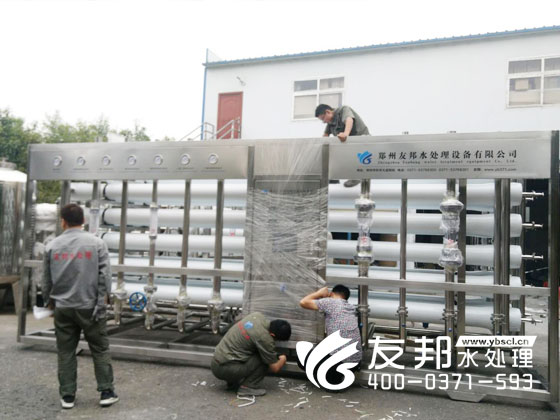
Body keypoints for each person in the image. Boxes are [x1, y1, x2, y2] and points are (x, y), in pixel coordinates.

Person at [42, 203, 118, 409]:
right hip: (90, 306)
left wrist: (48, 304)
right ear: (83, 220)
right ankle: (106, 392)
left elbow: (46, 280)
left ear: (63, 222)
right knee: (100, 349)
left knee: (66, 351)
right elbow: (105, 277)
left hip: (63, 307)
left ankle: (67, 396)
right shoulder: (97, 244)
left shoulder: (52, 245)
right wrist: (101, 303)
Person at [211, 312, 291, 397]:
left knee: (248, 350)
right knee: (264, 359)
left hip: (217, 361)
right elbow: (274, 368)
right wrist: (283, 359)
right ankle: (247, 387)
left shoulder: (257, 316)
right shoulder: (265, 338)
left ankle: (232, 381)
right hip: (223, 369)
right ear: (272, 335)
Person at [300, 285, 362, 385]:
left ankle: (330, 379)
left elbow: (303, 302)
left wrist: (319, 293)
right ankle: (338, 376)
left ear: (331, 294)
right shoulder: (351, 308)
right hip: (355, 363)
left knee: (303, 356)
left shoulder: (331, 302)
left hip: (338, 363)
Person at [316, 104, 369, 188]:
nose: (324, 122)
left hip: (362, 141)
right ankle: (333, 176)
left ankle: (356, 177)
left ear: (328, 112)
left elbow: (349, 119)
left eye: (323, 118)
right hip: (349, 145)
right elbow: (325, 136)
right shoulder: (330, 123)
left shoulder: (343, 110)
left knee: (355, 156)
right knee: (329, 151)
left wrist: (345, 134)